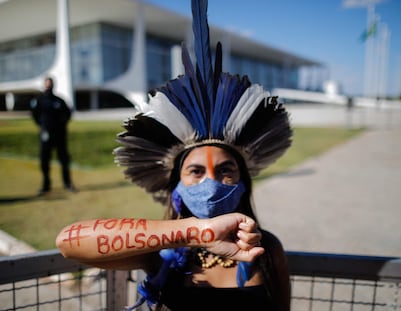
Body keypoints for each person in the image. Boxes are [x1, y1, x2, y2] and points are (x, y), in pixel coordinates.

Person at [56, 0, 292, 310]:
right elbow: (68, 242)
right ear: (175, 186)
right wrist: (196, 232)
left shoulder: (267, 249)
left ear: (244, 181)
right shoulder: (160, 249)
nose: (212, 183)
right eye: (195, 172)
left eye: (226, 170)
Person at [31, 76, 76, 195]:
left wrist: (62, 125)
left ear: (53, 85)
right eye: (46, 84)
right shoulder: (40, 100)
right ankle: (46, 185)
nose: (48, 86)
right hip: (45, 136)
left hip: (60, 136)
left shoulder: (59, 100)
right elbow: (34, 115)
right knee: (44, 160)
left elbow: (68, 114)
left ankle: (67, 183)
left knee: (64, 160)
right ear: (44, 85)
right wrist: (42, 126)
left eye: (50, 84)